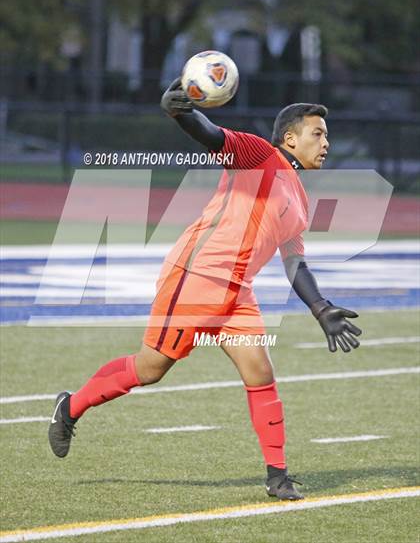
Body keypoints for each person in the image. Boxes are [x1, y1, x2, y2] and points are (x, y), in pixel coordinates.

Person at [48, 78, 362, 501]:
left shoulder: (301, 200)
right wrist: (181, 112)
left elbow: (295, 262)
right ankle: (70, 407)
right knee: (149, 370)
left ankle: (277, 476)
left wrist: (321, 308)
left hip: (237, 295)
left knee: (261, 374)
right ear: (290, 138)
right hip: (195, 278)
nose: (327, 142)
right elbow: (211, 137)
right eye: (317, 133)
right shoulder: (259, 155)